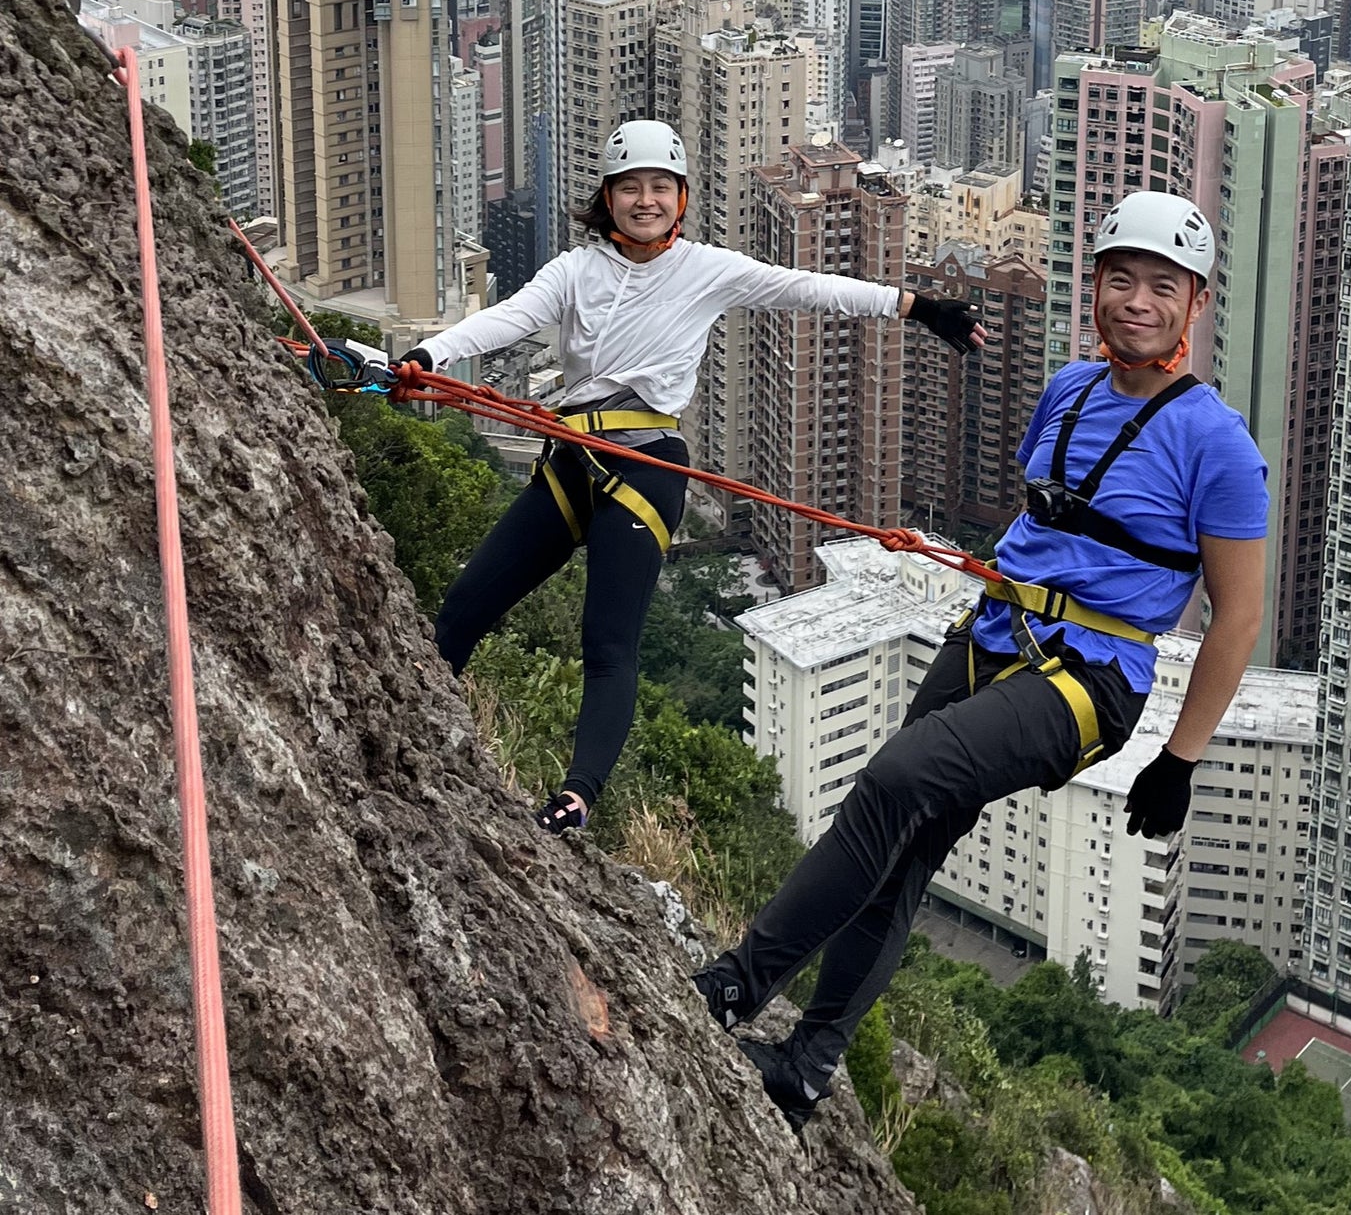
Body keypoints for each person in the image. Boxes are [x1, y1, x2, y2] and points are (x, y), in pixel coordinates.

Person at [693, 191, 1267, 1127]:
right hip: (994, 632)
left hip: (1093, 679)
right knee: (905, 846)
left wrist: (1182, 759)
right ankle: (807, 1064)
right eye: (1120, 279)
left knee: (893, 779)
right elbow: (1043, 523)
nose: (1138, 301)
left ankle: (733, 986)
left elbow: (1238, 616)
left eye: (1164, 287)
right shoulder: (1067, 391)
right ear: (1094, 288)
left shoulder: (1219, 445)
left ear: (1195, 306)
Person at [398, 119, 983, 835]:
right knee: (465, 604)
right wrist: (428, 355)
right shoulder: (575, 271)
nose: (645, 200)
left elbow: (808, 288)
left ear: (681, 199)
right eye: (630, 188)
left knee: (607, 641)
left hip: (647, 467)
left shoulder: (707, 268)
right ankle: (408, 721)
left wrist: (917, 308)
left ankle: (578, 797)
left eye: (659, 188)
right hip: (572, 457)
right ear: (606, 199)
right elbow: (509, 319)